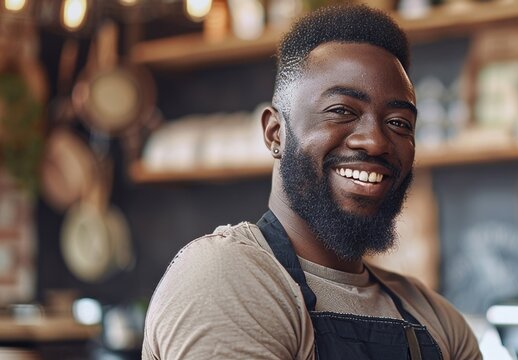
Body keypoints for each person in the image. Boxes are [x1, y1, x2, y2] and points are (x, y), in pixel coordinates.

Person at [142, 4, 482, 359]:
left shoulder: (439, 322)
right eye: (342, 111)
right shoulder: (225, 278)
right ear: (276, 133)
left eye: (398, 122)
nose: (376, 141)